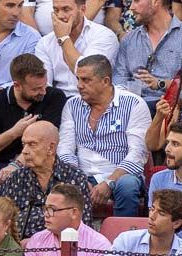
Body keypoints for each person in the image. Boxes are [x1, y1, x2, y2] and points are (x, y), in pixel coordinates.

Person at [58, 54, 149, 217]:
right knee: (59, 182)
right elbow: (65, 149)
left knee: (127, 185)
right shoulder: (72, 105)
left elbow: (138, 154)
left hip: (121, 175)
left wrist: (109, 181)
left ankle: (123, 237)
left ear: (105, 81)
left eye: (86, 80)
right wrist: (77, 178)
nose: (79, 85)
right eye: (78, 79)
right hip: (82, 175)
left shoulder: (134, 104)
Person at [0, 53, 68, 190]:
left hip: (39, 166)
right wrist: (14, 133)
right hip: (1, 166)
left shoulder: (54, 97)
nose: (43, 92)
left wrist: (16, 165)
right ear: (17, 86)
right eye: (36, 89)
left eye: (44, 86)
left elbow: (45, 142)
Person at [0, 120, 91, 239]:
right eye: (23, 144)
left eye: (32, 144)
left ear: (51, 148)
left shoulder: (75, 178)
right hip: (19, 250)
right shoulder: (14, 179)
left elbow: (83, 225)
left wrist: (38, 243)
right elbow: (0, 222)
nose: (24, 151)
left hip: (61, 248)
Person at [112, 0, 182, 105]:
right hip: (134, 108)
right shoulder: (129, 40)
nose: (131, 7)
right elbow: (119, 78)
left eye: (137, 0)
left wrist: (159, 84)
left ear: (156, 1)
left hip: (171, 108)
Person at [34, 0, 120, 98]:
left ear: (83, 9)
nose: (60, 16)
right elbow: (44, 85)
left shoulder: (104, 36)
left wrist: (64, 39)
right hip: (59, 102)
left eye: (66, 9)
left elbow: (88, 74)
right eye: (56, 10)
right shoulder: (45, 42)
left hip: (94, 101)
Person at [15, 183, 109, 256]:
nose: (46, 214)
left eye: (52, 209)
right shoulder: (37, 240)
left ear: (74, 213)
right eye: (45, 209)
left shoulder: (98, 244)